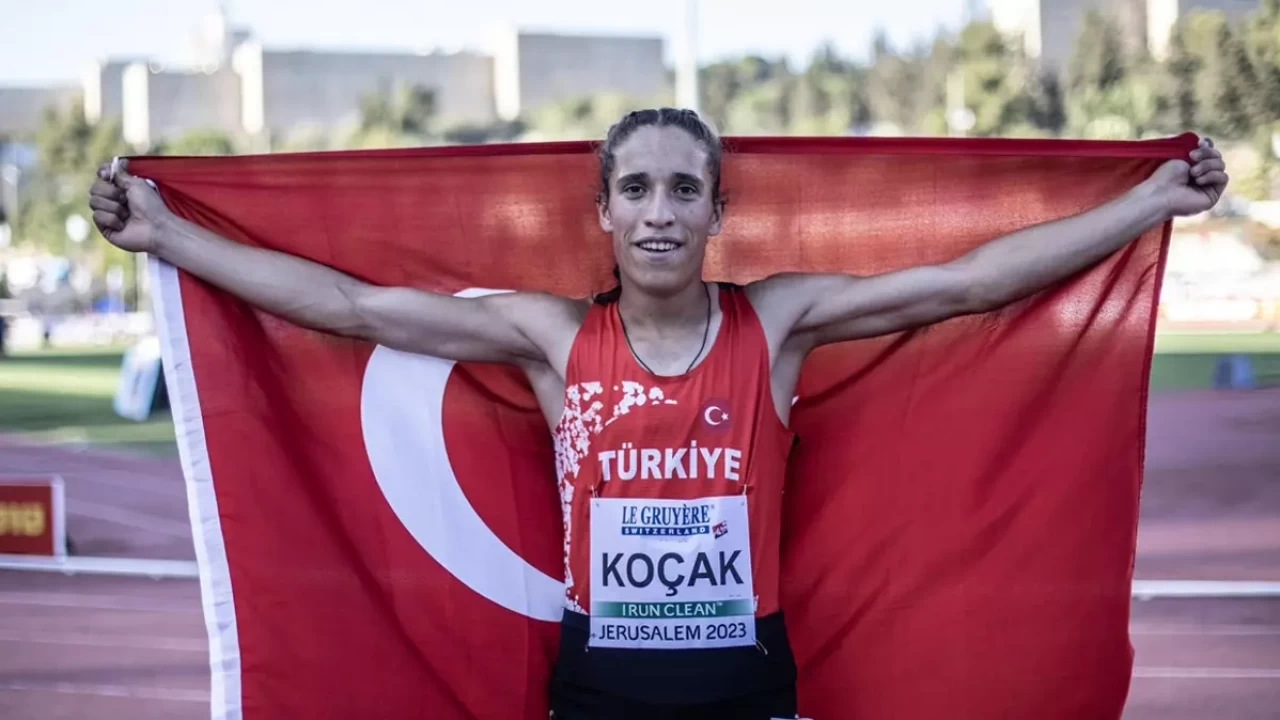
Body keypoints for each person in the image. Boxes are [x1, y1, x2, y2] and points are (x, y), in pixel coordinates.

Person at [87, 108, 1227, 719]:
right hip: (599, 692)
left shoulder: (776, 323)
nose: (660, 210)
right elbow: (347, 306)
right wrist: (167, 236)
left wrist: (1145, 202)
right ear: (604, 212)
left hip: (745, 690)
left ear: (717, 211)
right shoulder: (550, 339)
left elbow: (967, 282)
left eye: (685, 187)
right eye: (636, 187)